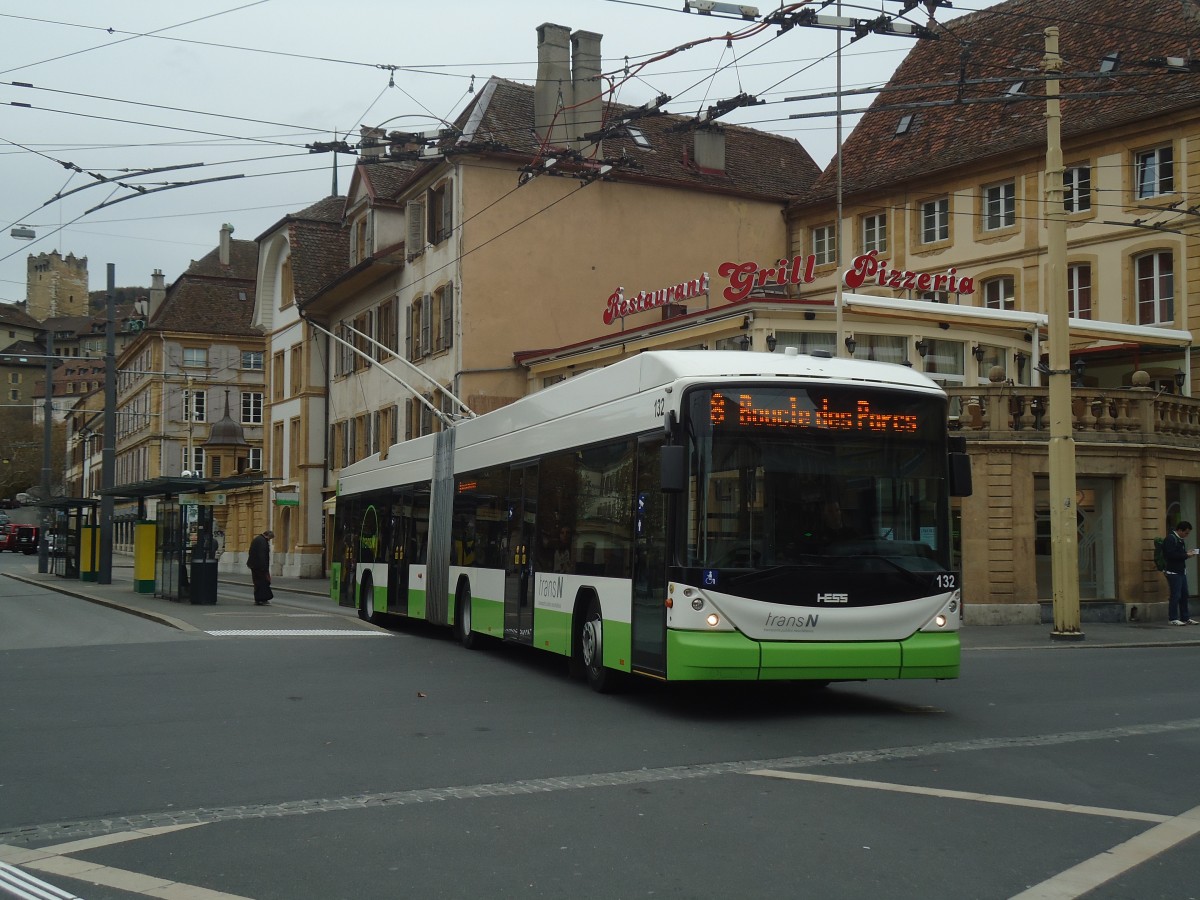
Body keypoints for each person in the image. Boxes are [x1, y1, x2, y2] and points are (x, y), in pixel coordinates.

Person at [1161, 521, 1200, 626]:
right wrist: (1186, 555)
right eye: (1186, 533)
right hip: (1173, 572)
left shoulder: (1180, 539)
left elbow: (1179, 553)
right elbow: (1170, 555)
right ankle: (1173, 618)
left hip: (1181, 571)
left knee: (1184, 595)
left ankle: (1185, 617)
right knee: (1176, 595)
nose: (1187, 535)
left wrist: (1187, 553)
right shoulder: (1171, 539)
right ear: (1180, 530)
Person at [247, 529, 274, 605]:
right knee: (263, 582)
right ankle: (262, 599)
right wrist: (264, 568)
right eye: (269, 539)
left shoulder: (257, 539)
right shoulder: (262, 542)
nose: (269, 540)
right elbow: (262, 555)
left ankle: (258, 599)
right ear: (267, 536)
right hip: (260, 567)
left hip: (254, 565)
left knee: (257, 583)